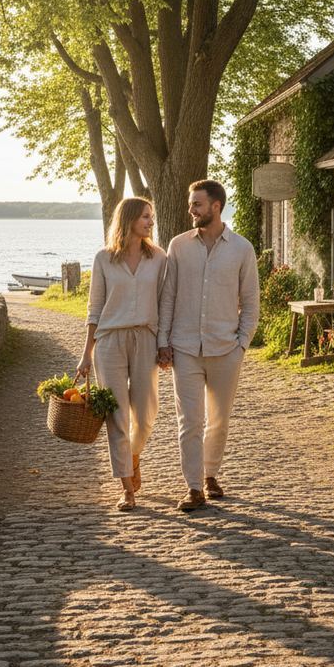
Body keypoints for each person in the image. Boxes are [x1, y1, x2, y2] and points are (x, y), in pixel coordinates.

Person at [157, 179, 260, 511]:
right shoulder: (179, 246)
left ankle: (210, 474)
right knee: (190, 420)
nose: (191, 210)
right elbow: (168, 296)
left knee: (219, 418)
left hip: (225, 348)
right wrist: (163, 341)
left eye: (197, 204)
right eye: (191, 204)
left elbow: (251, 303)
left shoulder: (242, 249)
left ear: (216, 206)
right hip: (185, 347)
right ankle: (193, 487)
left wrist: (241, 343)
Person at [77, 197, 166, 512]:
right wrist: (86, 353)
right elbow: (94, 309)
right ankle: (126, 487)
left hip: (146, 338)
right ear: (129, 219)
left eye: (151, 217)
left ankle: (133, 454)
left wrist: (164, 342)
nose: (150, 222)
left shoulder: (159, 258)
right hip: (110, 341)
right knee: (117, 416)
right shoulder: (104, 259)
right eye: (145, 217)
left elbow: (165, 304)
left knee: (145, 412)